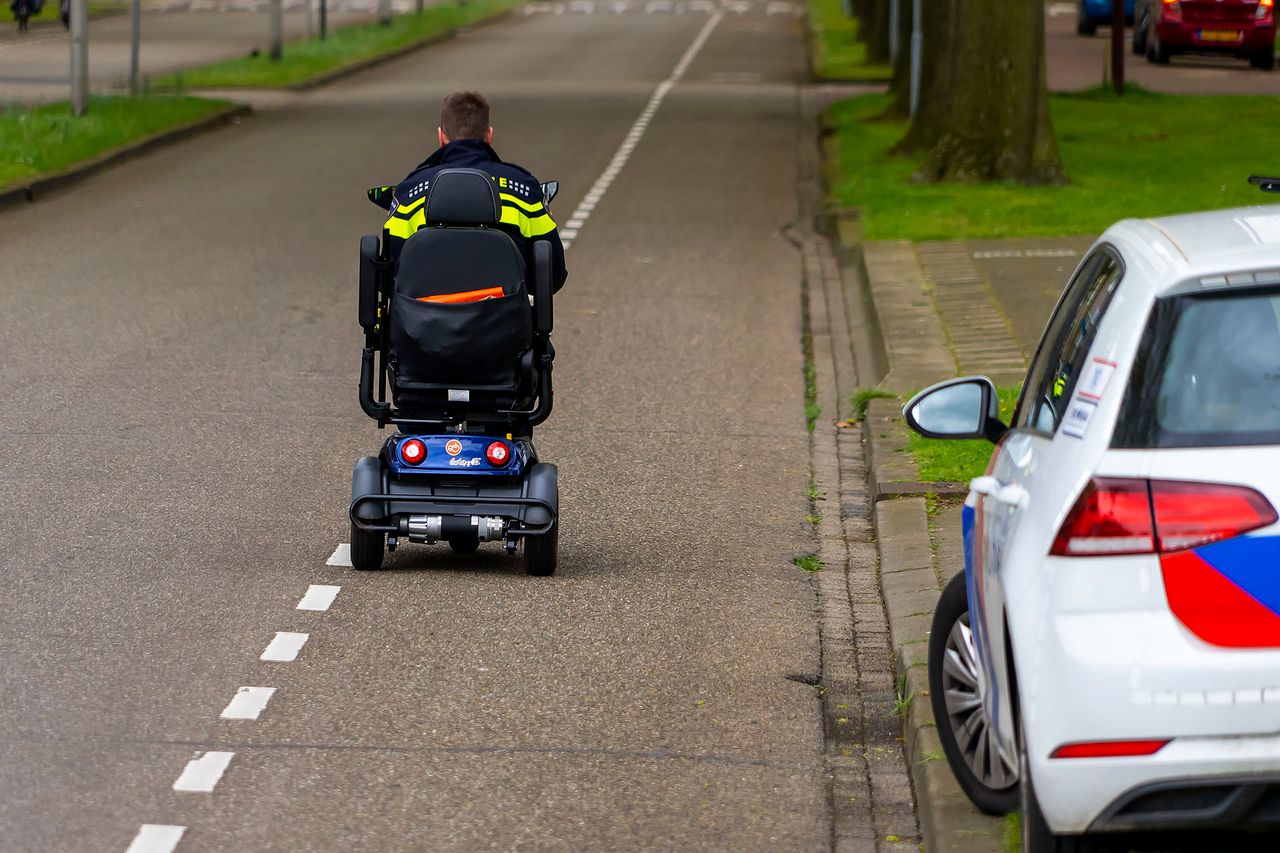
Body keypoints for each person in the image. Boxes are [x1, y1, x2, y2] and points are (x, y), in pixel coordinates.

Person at [383, 91, 568, 293]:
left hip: (423, 321)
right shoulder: (524, 189)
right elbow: (553, 275)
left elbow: (389, 276)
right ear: (489, 135)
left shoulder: (410, 192)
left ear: (441, 136)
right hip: (505, 319)